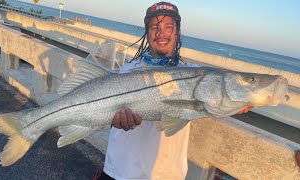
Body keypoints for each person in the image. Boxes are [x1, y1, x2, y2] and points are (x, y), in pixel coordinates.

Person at [96, 2, 253, 180]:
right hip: (119, 171)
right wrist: (114, 121)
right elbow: (102, 113)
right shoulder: (128, 71)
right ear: (147, 33)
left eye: (168, 27)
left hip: (167, 175)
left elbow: (219, 96)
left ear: (178, 32)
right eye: (155, 27)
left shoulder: (193, 72)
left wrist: (241, 98)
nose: (161, 33)